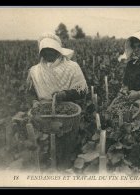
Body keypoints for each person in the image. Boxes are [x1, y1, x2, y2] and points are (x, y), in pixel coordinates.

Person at [26, 32, 88, 170]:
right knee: (43, 146)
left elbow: (82, 90)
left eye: (51, 50)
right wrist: (34, 103)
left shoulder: (72, 67)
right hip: (43, 113)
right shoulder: (34, 71)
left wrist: (64, 95)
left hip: (67, 112)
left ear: (58, 51)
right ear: (41, 53)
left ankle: (64, 167)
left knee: (65, 146)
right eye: (44, 51)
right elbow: (29, 93)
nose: (48, 53)